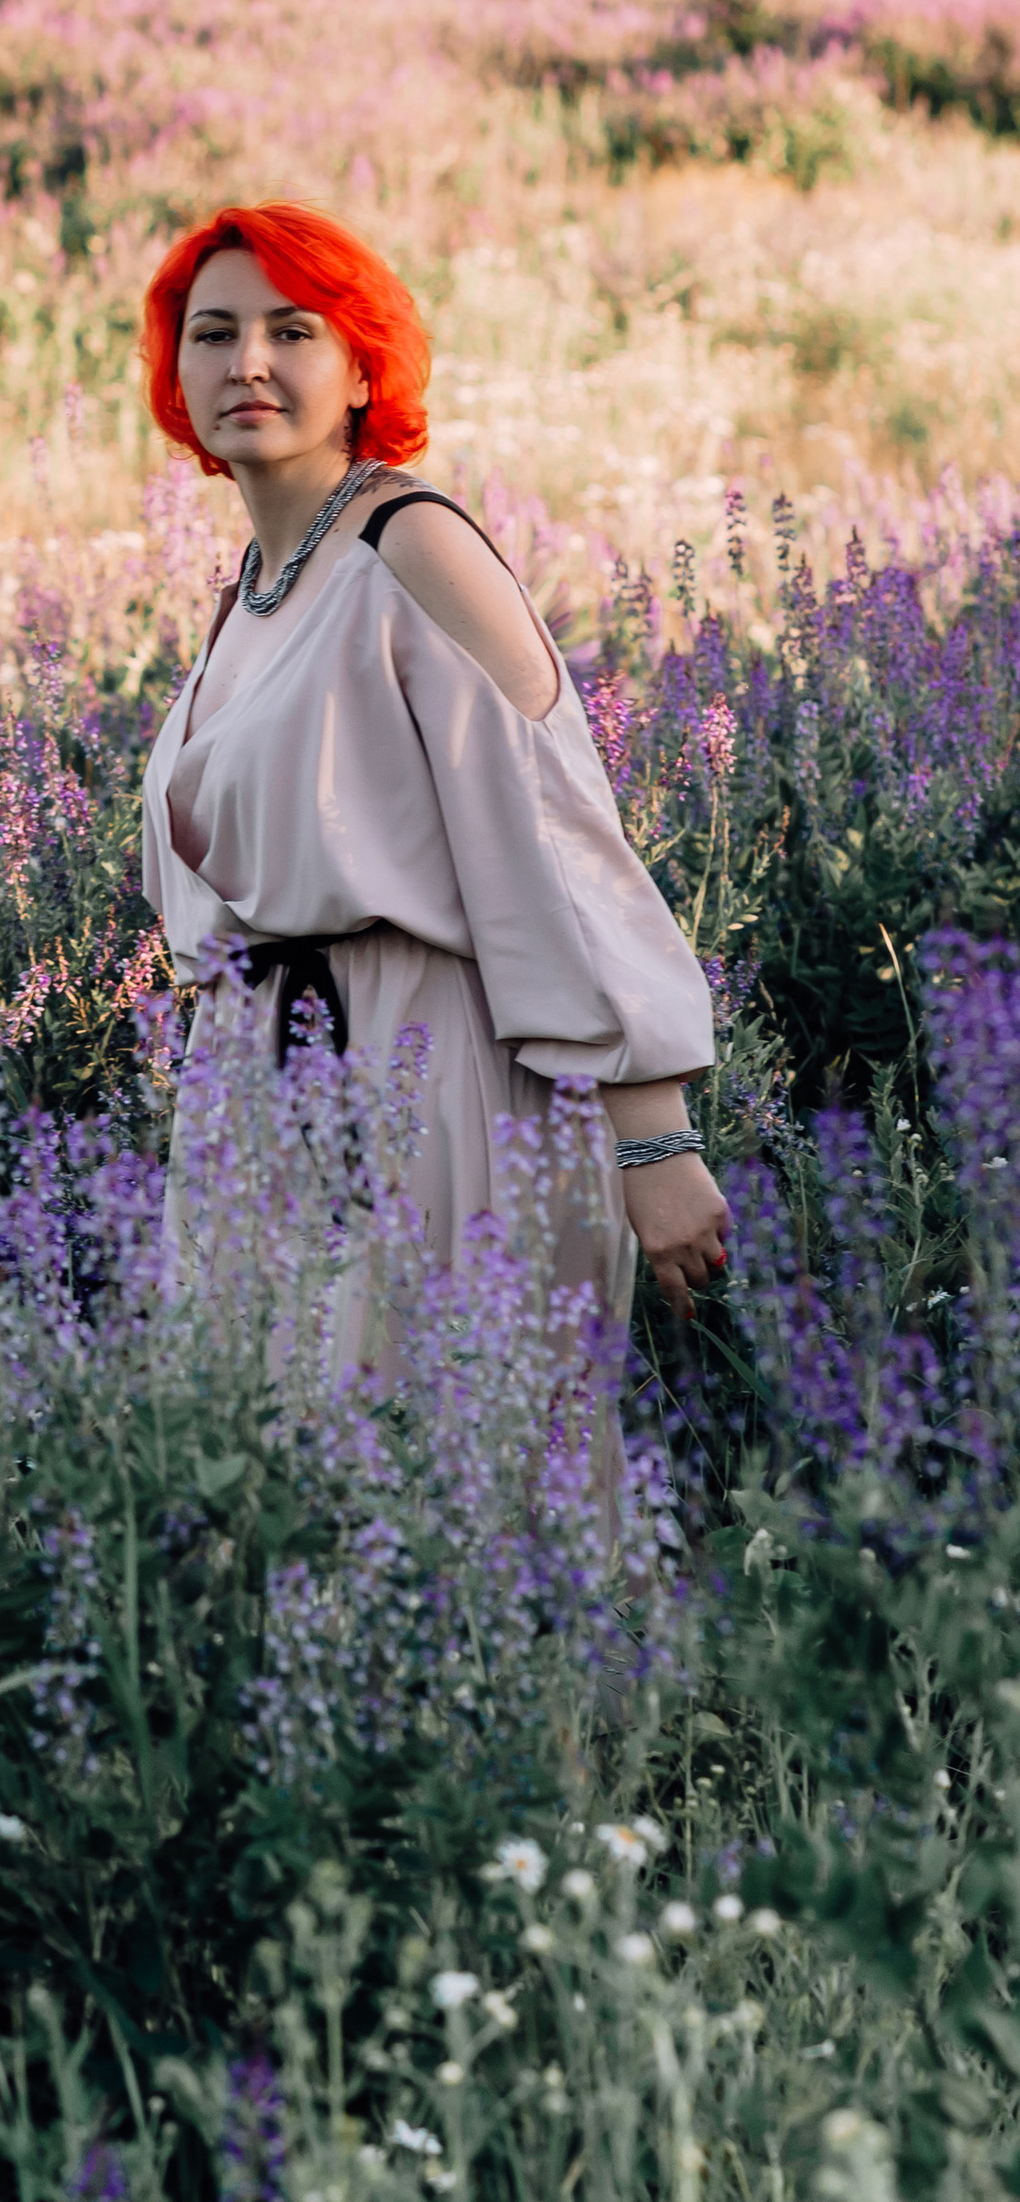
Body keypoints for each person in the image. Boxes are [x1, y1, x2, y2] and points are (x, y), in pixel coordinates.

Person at [137, 200, 728, 1370]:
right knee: (275, 1506)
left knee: (451, 1487)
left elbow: (549, 836)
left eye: (292, 330)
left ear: (360, 368)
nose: (246, 362)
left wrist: (651, 1138)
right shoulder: (254, 587)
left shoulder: (412, 545)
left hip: (423, 1079)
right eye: (211, 333)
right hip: (260, 1093)